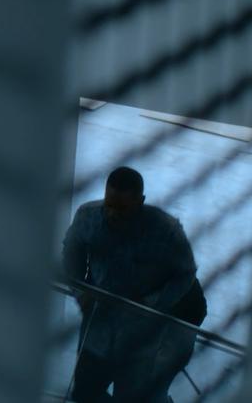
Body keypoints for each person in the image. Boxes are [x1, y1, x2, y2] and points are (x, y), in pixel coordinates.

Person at [62, 167, 207, 402]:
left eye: (121, 208)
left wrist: (151, 304)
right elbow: (71, 252)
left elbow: (186, 273)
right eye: (109, 205)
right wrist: (81, 292)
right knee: (84, 394)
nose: (112, 214)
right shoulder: (88, 217)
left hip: (139, 338)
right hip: (97, 332)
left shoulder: (165, 230)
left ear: (140, 202)